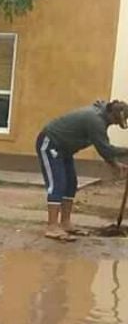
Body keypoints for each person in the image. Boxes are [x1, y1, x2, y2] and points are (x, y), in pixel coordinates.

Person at [37, 99, 128, 242]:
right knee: (58, 184)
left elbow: (102, 148)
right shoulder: (95, 121)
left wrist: (114, 164)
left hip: (65, 149)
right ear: (111, 113)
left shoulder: (101, 118)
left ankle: (65, 223)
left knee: (71, 184)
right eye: (116, 120)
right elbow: (106, 148)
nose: (115, 124)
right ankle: (52, 226)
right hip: (50, 143)